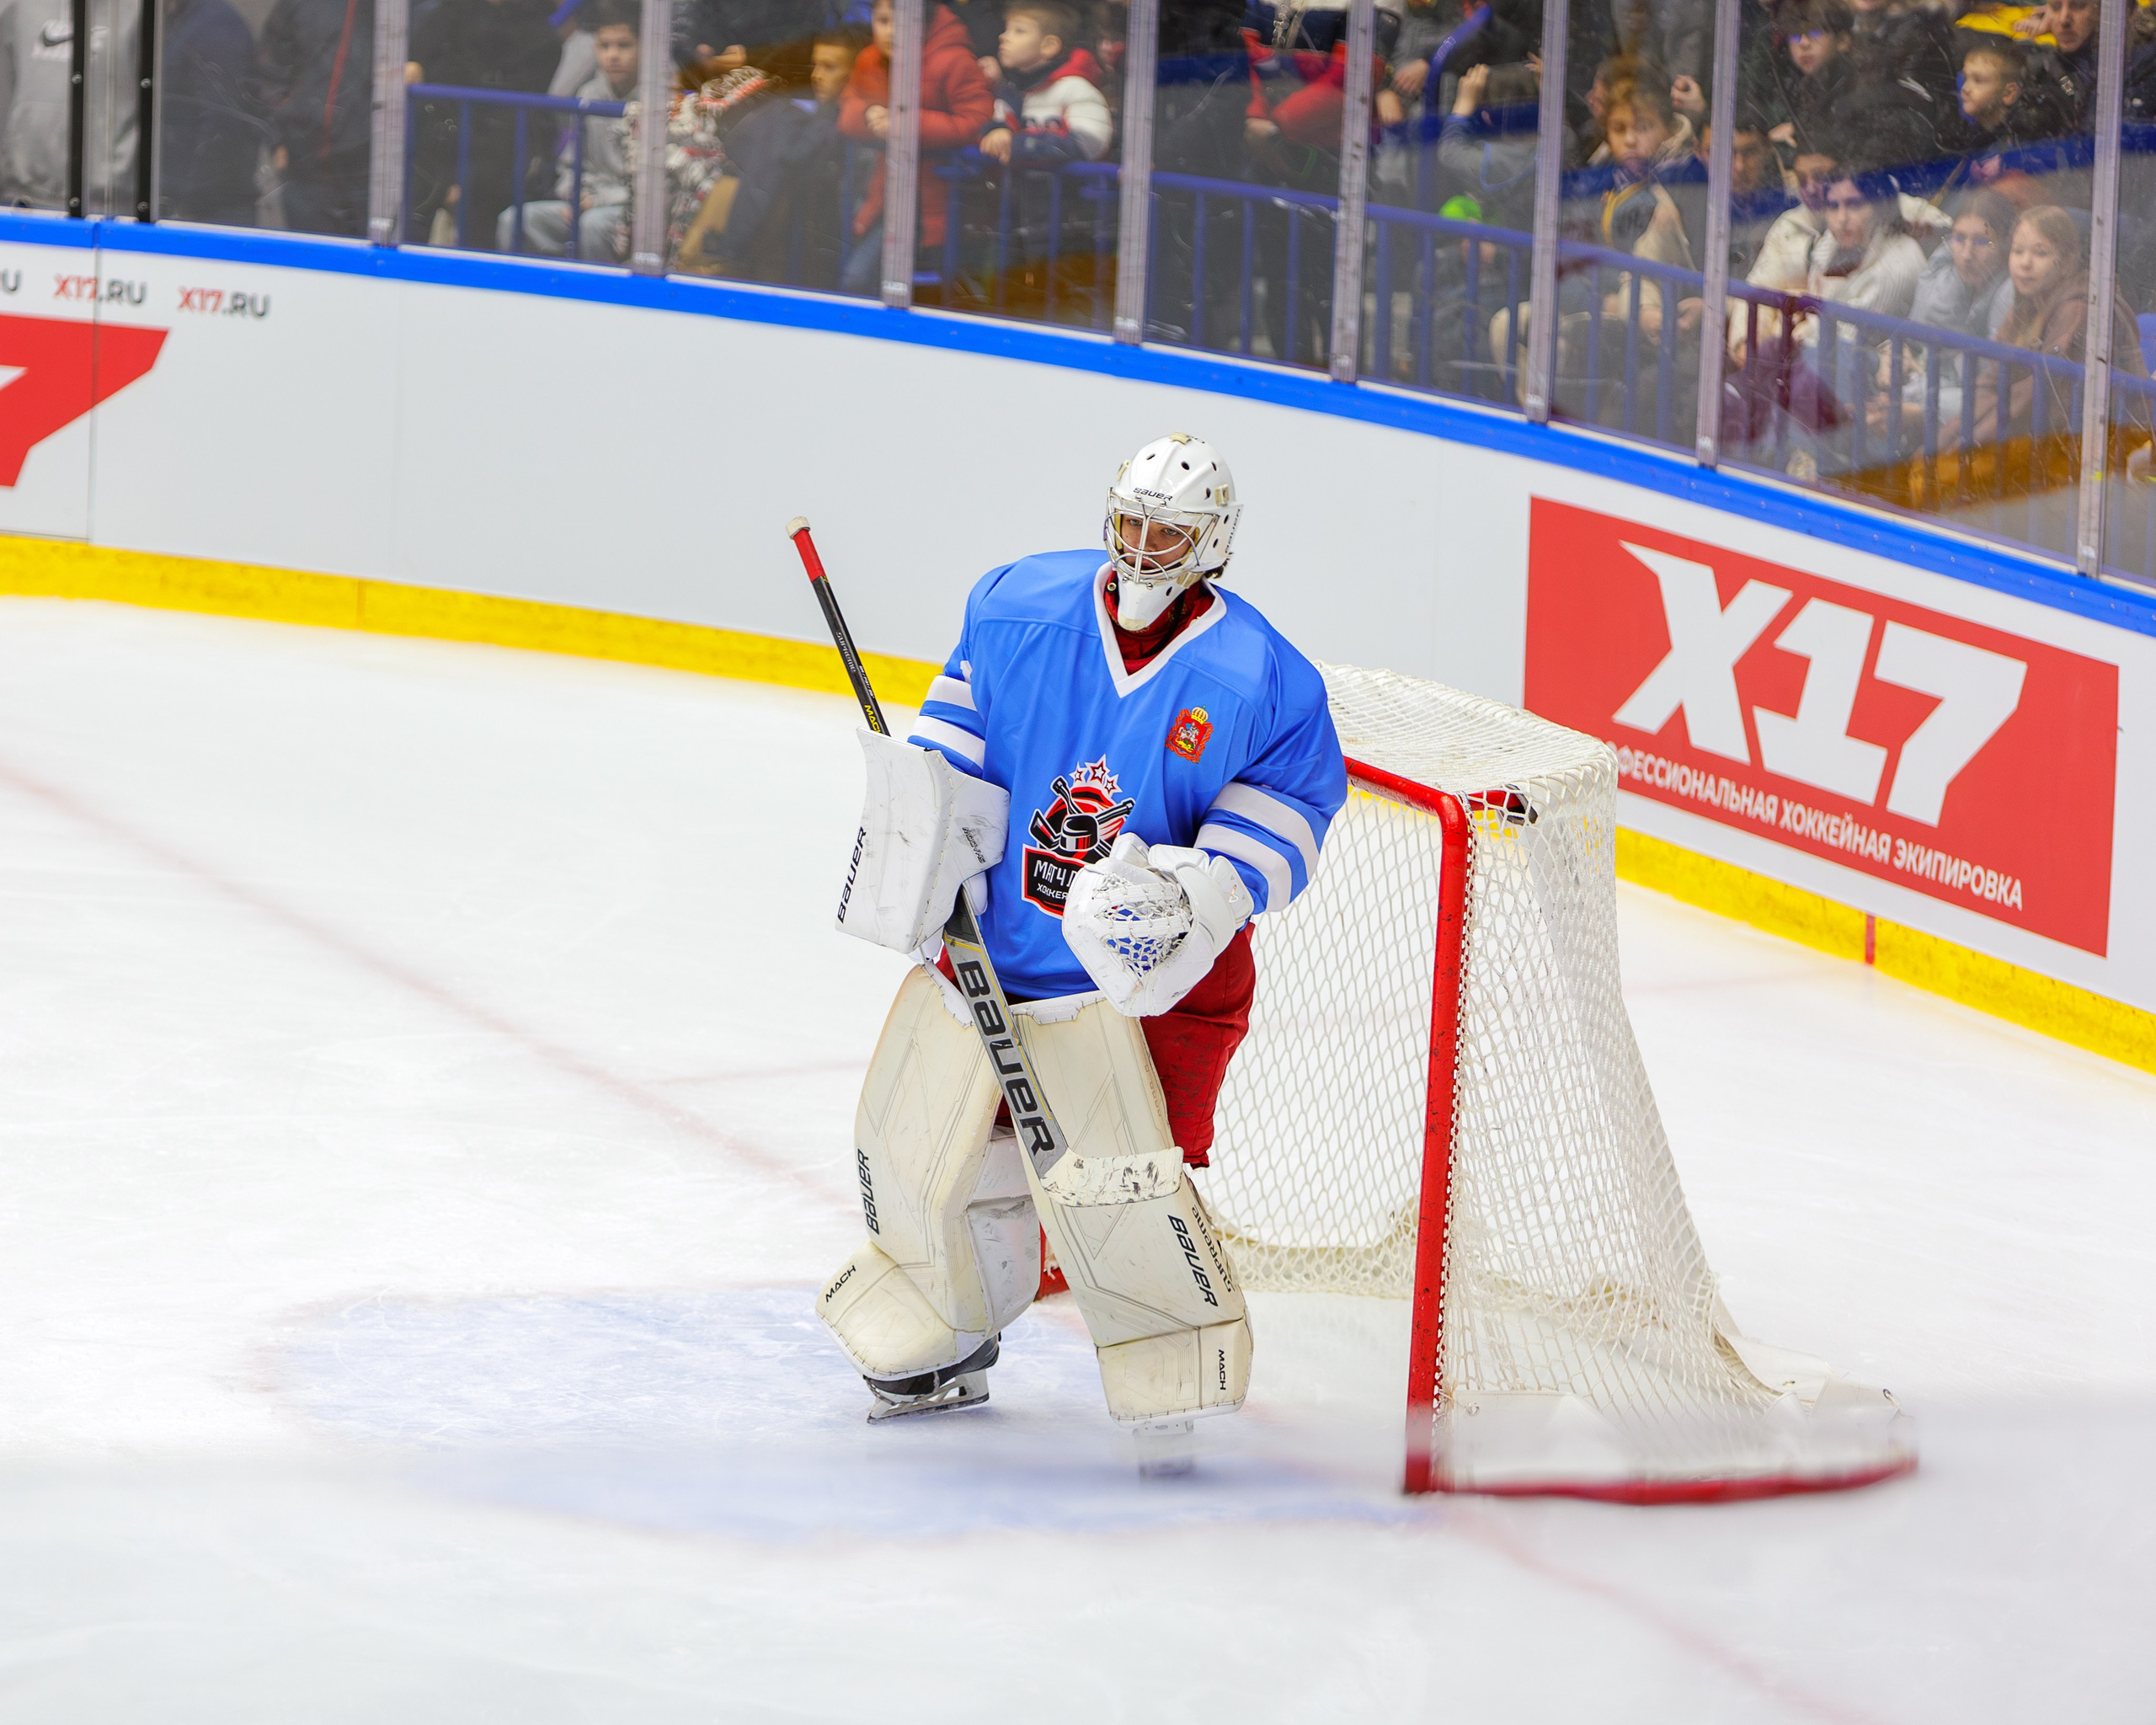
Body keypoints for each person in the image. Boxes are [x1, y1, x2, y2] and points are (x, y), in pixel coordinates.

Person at [816, 432, 1346, 1446]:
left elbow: (1291, 802)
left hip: (1147, 987)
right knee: (935, 1154)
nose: (1144, 548)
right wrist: (929, 829)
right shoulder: (1018, 606)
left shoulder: (1262, 674)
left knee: (1126, 1182)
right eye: (1132, 524)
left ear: (1212, 546)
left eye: (1170, 533)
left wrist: (1203, 887)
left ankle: (1168, 1365)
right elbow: (957, 734)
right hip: (997, 946)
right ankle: (948, 1333)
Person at [836, 0, 994, 294]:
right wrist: (868, 112)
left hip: (947, 200)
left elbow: (977, 123)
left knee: (937, 289)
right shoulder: (870, 58)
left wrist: (904, 124)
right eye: (883, 21)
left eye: (902, 21)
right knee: (859, 279)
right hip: (886, 194)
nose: (891, 32)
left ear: (925, 23)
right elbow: (848, 107)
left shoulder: (955, 60)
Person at [408, 0, 563, 250]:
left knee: (478, 229)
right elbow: (416, 63)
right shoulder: (447, 15)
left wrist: (462, 179)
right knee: (413, 220)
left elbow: (520, 109)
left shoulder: (538, 32)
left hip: (496, 153)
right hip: (438, 140)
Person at [497, 0, 638, 256]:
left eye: (624, 45)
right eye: (605, 46)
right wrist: (576, 195)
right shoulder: (588, 93)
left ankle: (596, 295)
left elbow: (661, 186)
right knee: (514, 220)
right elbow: (570, 165)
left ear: (644, 48)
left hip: (633, 211)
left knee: (594, 226)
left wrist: (599, 200)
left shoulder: (666, 102)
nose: (613, 55)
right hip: (587, 202)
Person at [260, 0, 373, 235]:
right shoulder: (300, 5)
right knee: (308, 260)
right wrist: (277, 136)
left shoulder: (390, 11)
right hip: (304, 164)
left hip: (365, 172)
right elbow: (269, 69)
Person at [159, 0, 264, 227]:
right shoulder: (181, 18)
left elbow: (224, 122)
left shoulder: (216, 24)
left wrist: (189, 203)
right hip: (186, 204)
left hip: (209, 214)